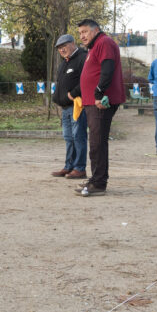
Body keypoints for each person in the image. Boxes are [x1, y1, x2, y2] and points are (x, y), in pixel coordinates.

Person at [76, 19, 124, 197]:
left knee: (97, 142)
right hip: (92, 102)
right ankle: (96, 179)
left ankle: (99, 183)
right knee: (96, 142)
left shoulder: (104, 42)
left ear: (96, 30)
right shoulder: (95, 46)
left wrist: (98, 92)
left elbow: (107, 68)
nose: (82, 36)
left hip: (100, 102)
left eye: (85, 32)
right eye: (80, 33)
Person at [52, 34, 88, 179]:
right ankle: (69, 166)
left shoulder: (82, 58)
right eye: (59, 48)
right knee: (69, 137)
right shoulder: (64, 62)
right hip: (65, 108)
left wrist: (73, 94)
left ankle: (80, 168)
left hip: (77, 106)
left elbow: (86, 80)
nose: (61, 50)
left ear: (73, 43)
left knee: (78, 137)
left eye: (64, 46)